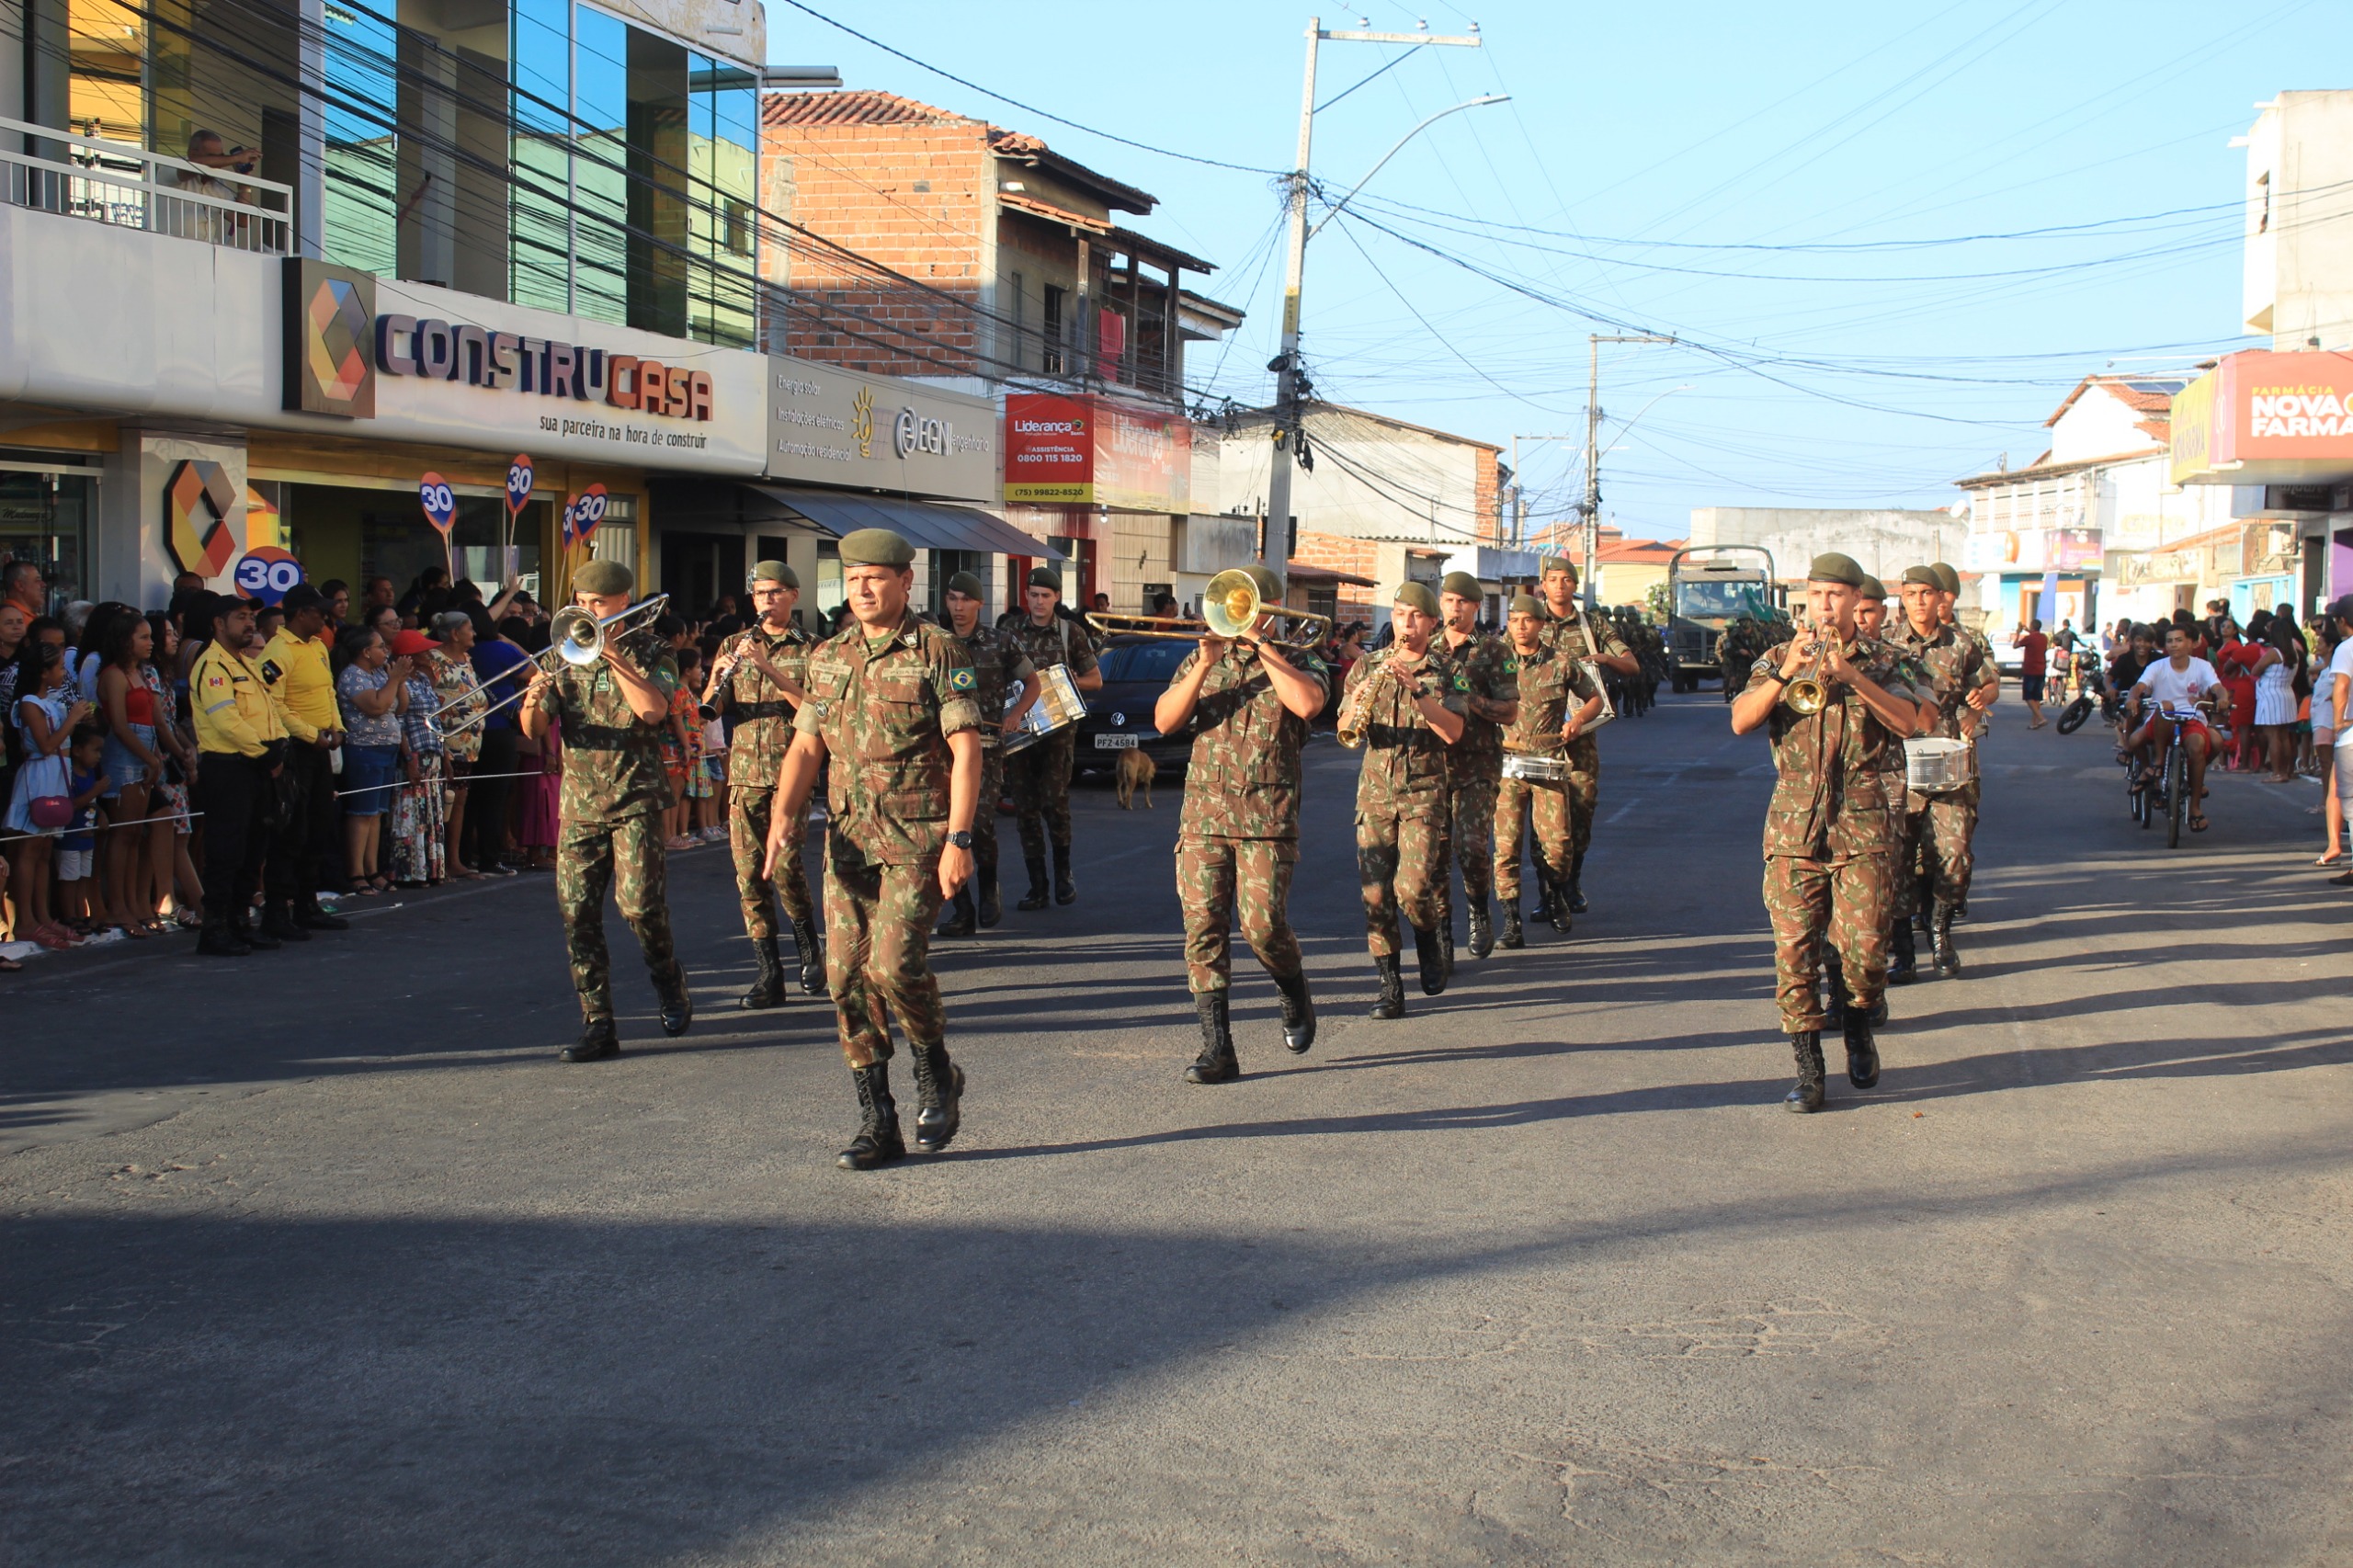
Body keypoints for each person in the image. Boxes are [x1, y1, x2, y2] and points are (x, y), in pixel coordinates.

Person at [761, 528, 984, 1169]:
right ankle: (877, 1121)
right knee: (844, 981)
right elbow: (807, 745)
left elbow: (966, 747)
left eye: (875, 576)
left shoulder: (938, 649)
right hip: (849, 841)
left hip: (917, 838)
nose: (861, 587)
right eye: (853, 576)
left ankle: (935, 1070)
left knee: (892, 966)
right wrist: (782, 816)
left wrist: (960, 839)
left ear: (906, 582)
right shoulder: (827, 656)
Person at [1730, 554, 1928, 1113]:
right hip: (1794, 826)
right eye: (1817, 595)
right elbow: (1742, 720)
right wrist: (1789, 673)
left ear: (1854, 601)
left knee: (1865, 951)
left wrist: (1853, 678)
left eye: (1836, 596)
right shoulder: (1776, 658)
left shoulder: (1889, 661)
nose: (1826, 606)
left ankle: (1860, 1020)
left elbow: (1910, 723)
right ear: (1805, 601)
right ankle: (1808, 1067)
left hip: (1864, 825)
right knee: (1794, 952)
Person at [1152, 564, 1328, 1083]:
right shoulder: (1202, 658)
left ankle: (1293, 989)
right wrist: (1203, 666)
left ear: (1270, 612)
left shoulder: (1300, 659)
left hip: (1266, 821)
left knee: (1263, 927)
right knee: (1202, 930)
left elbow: (1308, 704)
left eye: (1248, 607)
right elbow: (1164, 721)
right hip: (1204, 818)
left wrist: (1262, 646)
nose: (1237, 618)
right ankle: (1218, 1048)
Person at [518, 561, 689, 1061]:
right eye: (582, 601)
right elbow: (532, 730)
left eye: (598, 604)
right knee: (577, 915)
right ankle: (598, 1022)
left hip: (634, 799)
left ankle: (667, 977)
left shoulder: (655, 650)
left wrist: (612, 654)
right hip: (580, 805)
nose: (587, 611)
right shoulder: (561, 654)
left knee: (639, 907)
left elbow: (654, 711)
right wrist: (533, 696)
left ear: (622, 602)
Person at [1344, 583, 1465, 1017]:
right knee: (1376, 897)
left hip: (1422, 797)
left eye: (1415, 616)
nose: (1406, 624)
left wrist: (1417, 689)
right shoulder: (1366, 664)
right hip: (1375, 798)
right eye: (1399, 614)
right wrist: (1356, 700)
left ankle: (1429, 939)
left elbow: (1452, 731)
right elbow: (1346, 726)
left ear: (1432, 622)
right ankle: (1390, 985)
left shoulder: (1447, 669)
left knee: (1412, 889)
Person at [704, 561, 823, 1005]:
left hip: (791, 772)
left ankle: (810, 950)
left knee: (787, 867)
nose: (766, 601)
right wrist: (716, 681)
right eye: (759, 594)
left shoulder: (813, 648)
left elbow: (815, 708)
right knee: (748, 876)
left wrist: (768, 669)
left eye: (774, 592)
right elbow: (712, 710)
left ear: (793, 595)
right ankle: (768, 974)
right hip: (745, 775)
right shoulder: (735, 643)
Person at [1886, 566, 1998, 980]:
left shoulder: (1962, 643)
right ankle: (1903, 953)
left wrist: (1977, 703)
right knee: (1897, 859)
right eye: (1910, 593)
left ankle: (1940, 931)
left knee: (1954, 855)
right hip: (1897, 764)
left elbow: (1989, 684)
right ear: (1902, 598)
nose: (1918, 601)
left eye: (1926, 593)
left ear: (1940, 598)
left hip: (1948, 761)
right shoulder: (1884, 643)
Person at [935, 570, 1040, 937]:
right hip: (944, 748)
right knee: (946, 826)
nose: (958, 606)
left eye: (965, 599)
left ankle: (989, 886)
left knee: (977, 821)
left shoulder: (1000, 641)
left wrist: (1015, 714)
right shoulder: (936, 642)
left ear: (980, 603)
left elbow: (1033, 681)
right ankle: (961, 908)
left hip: (988, 747)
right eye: (952, 599)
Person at [188, 594, 295, 957]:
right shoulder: (212, 666)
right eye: (241, 617)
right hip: (229, 768)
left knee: (253, 850)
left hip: (255, 766)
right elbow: (226, 721)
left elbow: (268, 710)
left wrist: (279, 742)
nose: (250, 624)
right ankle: (214, 929)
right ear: (219, 623)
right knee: (226, 852)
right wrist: (266, 753)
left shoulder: (245, 663)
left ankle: (238, 923)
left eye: (251, 617)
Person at [1493, 593, 1601, 949]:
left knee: (1558, 844)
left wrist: (1578, 722)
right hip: (1507, 766)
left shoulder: (1561, 663)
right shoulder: (1494, 660)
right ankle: (1511, 921)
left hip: (1549, 765)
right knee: (1506, 847)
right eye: (1514, 620)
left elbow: (1594, 697)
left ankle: (1555, 896)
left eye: (1528, 620)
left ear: (1541, 624)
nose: (1521, 627)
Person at [1424, 572, 1519, 960]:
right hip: (1433, 763)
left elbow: (1510, 713)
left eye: (1463, 601)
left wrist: (1468, 700)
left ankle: (1479, 910)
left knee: (1472, 846)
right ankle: (1443, 931)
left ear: (1476, 607)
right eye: (1448, 600)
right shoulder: (1426, 649)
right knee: (1436, 853)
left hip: (1478, 763)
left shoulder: (1495, 651)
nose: (1455, 607)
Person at [1536, 556, 1637, 915]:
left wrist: (1604, 660)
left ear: (1575, 585)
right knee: (1541, 817)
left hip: (1582, 734)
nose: (1560, 585)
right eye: (1553, 579)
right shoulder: (1528, 621)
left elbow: (1631, 663)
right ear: (1543, 584)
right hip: (1539, 737)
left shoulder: (1591, 623)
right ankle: (1547, 891)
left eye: (1566, 579)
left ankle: (1572, 882)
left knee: (1581, 809)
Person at [1006, 566, 1101, 909]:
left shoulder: (1069, 633)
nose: (1039, 602)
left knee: (1054, 804)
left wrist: (1071, 680)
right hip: (1020, 733)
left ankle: (1063, 875)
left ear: (1057, 597)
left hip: (1058, 733)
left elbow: (1095, 680)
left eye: (1046, 596)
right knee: (1026, 810)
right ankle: (1038, 885)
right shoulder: (1010, 630)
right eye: (1033, 595)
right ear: (1026, 597)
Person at [258, 584, 350, 931]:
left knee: (318, 826)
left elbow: (327, 691)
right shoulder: (278, 651)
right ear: (300, 614)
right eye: (319, 611)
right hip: (295, 750)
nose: (325, 617)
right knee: (291, 832)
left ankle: (307, 904)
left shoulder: (317, 647)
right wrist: (311, 735)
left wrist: (336, 727)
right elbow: (274, 704)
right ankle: (278, 910)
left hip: (321, 747)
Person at [6, 640, 94, 949]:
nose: (62, 672)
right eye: (58, 667)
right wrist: (72, 719)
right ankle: (26, 921)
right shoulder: (29, 703)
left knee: (45, 852)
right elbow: (44, 744)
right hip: (39, 776)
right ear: (44, 672)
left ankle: (43, 917)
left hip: (57, 775)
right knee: (29, 851)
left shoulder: (52, 700)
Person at [2124, 624, 2230, 834]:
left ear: (2192, 643)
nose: (2174, 645)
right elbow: (2140, 687)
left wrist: (2223, 698)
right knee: (2160, 712)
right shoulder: (2158, 666)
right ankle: (2157, 763)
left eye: (2179, 640)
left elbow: (2216, 687)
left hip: (2191, 719)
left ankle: (2195, 807)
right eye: (2170, 640)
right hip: (2162, 719)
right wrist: (2132, 698)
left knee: (2202, 745)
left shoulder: (2202, 666)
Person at [334, 624, 409, 895]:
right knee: (361, 813)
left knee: (376, 814)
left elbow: (401, 706)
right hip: (364, 750)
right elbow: (376, 706)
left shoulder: (379, 674)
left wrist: (397, 680)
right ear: (366, 652)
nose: (385, 651)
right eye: (380, 647)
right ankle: (355, 872)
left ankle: (372, 869)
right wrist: (393, 680)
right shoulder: (352, 676)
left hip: (387, 749)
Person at [465, 611, 534, 876]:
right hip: (498, 729)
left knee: (469, 798)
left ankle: (464, 854)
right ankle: (489, 857)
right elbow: (533, 668)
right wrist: (509, 642)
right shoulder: (499, 649)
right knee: (494, 799)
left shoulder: (467, 653)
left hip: (470, 734)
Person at [423, 611, 487, 880]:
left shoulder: (467, 659)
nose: (474, 634)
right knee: (446, 801)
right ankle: (444, 860)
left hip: (470, 744)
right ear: (454, 633)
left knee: (460, 800)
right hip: (448, 742)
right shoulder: (434, 660)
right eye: (469, 629)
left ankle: (454, 857)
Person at [387, 628, 448, 886]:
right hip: (414, 752)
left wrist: (446, 758)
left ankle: (430, 870)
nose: (429, 653)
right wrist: (409, 759)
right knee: (411, 813)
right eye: (423, 650)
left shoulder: (423, 680)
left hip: (432, 751)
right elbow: (398, 720)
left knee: (430, 813)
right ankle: (409, 872)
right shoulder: (400, 683)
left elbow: (435, 719)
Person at [2254, 615, 2305, 783]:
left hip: (2270, 695)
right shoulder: (2294, 653)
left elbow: (2255, 669)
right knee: (2284, 735)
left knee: (2273, 735)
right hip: (2286, 693)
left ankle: (2277, 772)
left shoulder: (2274, 653)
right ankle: (2285, 771)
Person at [2011, 619, 2049, 728]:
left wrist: (2018, 633)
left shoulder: (2029, 638)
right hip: (2041, 669)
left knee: (2028, 697)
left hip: (2030, 669)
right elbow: (2034, 636)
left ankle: (2041, 718)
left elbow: (2015, 645)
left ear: (2032, 627)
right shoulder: (2043, 638)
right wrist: (2027, 630)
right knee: (2036, 697)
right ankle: (2034, 722)